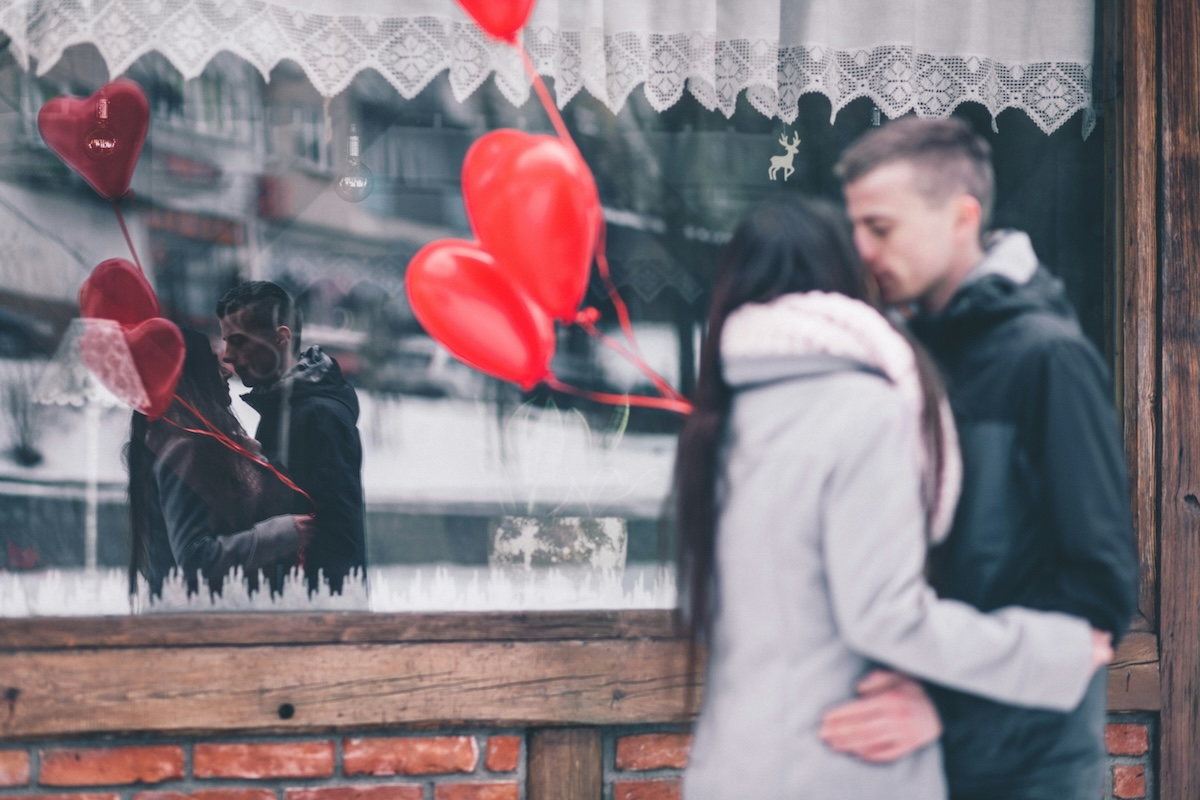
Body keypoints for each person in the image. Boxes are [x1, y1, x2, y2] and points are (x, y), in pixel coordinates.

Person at [674, 199, 1112, 800]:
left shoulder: (717, 423)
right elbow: (885, 615)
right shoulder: (865, 410)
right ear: (843, 280)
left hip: (733, 765)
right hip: (841, 764)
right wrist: (1051, 653)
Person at [821, 117, 1139, 800]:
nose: (861, 250)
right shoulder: (906, 356)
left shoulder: (1047, 359)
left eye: (880, 228)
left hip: (1025, 773)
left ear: (961, 217)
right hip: (920, 767)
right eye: (856, 228)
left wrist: (942, 709)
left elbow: (1099, 596)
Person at [128, 327, 313, 598]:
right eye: (214, 365)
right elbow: (195, 557)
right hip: (196, 624)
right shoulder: (184, 448)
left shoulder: (181, 440)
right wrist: (284, 533)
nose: (226, 372)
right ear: (191, 375)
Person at [216, 281, 366, 594]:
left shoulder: (316, 415)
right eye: (226, 342)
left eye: (238, 341)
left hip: (312, 613)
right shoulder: (284, 407)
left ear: (281, 338)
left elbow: (336, 533)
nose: (227, 355)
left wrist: (327, 621)